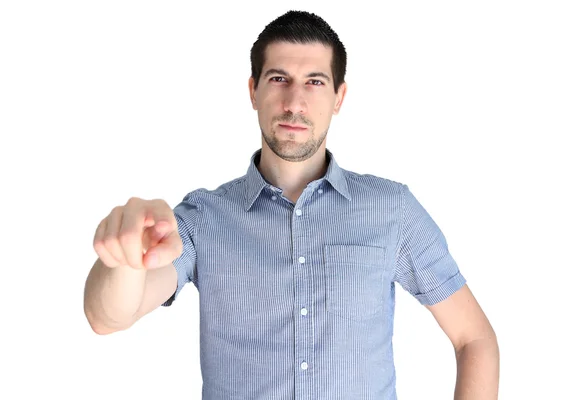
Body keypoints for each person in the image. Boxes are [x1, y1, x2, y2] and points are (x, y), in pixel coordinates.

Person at [83, 10, 500, 399]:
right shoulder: (203, 218)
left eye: (315, 81)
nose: (295, 103)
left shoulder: (392, 210)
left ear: (339, 97)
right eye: (279, 78)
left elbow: (473, 338)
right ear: (253, 90)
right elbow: (109, 316)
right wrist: (125, 259)